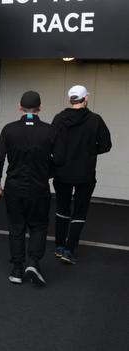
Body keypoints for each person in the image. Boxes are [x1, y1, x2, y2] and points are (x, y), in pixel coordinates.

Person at [0, 91, 62, 287]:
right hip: (39, 188)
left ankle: (16, 269)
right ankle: (34, 262)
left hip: (14, 188)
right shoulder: (50, 131)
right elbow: (59, 160)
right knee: (38, 226)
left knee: (16, 227)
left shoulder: (9, 130)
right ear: (40, 108)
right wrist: (46, 173)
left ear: (19, 107)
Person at [51, 85, 112, 265]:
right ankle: (69, 250)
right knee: (80, 210)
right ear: (85, 99)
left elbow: (51, 144)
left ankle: (59, 246)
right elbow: (106, 145)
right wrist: (89, 152)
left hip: (61, 172)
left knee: (62, 209)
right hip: (85, 173)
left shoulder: (58, 119)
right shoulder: (95, 120)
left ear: (71, 100)